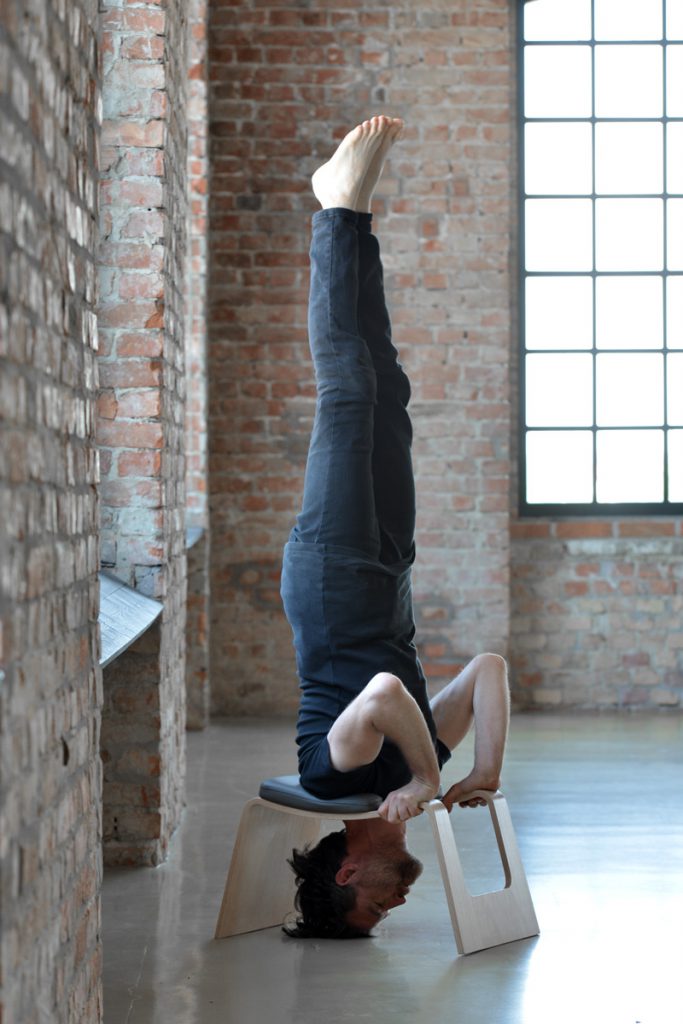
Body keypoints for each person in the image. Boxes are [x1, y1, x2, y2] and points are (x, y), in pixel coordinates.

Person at [279, 116, 510, 938]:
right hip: (386, 572)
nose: (395, 902)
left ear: (347, 871)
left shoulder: (335, 776)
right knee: (388, 388)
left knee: (348, 391)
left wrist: (424, 777)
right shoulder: (416, 769)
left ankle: (336, 210)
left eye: (374, 904)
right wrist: (480, 769)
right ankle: (352, 212)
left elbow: (380, 693)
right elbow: (485, 671)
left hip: (332, 576)